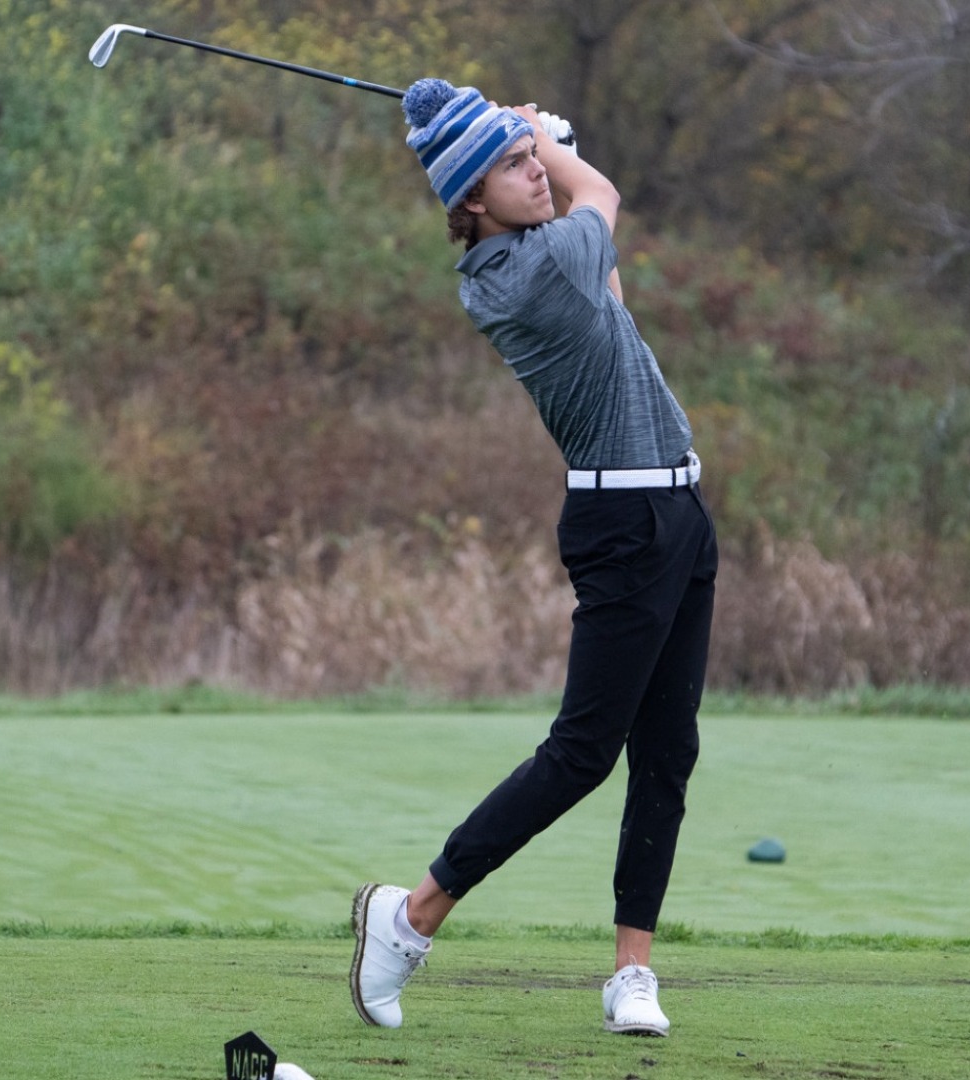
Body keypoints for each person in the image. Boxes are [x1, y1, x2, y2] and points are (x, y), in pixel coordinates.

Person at [348, 78, 718, 1039]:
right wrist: (535, 134)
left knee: (666, 751)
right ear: (472, 201)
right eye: (513, 170)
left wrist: (527, 144)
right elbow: (605, 199)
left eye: (528, 161)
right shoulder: (521, 273)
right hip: (625, 527)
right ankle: (412, 913)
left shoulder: (542, 259)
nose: (535, 178)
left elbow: (615, 301)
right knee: (583, 753)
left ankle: (631, 975)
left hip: (675, 511)